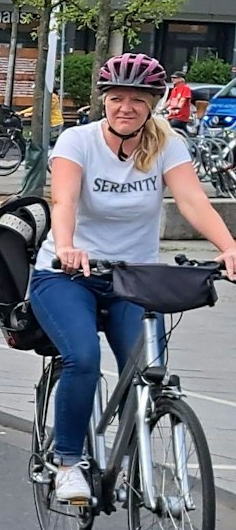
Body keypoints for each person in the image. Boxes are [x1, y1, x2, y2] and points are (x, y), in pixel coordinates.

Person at [29, 53, 236, 505]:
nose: (126, 107)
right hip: (67, 274)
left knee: (145, 373)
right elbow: (62, 201)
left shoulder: (167, 144)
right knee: (82, 357)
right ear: (103, 100)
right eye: (117, 97)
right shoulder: (76, 141)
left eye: (138, 100)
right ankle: (67, 462)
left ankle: (134, 460)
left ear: (153, 104)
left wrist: (228, 246)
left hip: (134, 279)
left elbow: (192, 201)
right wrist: (66, 245)